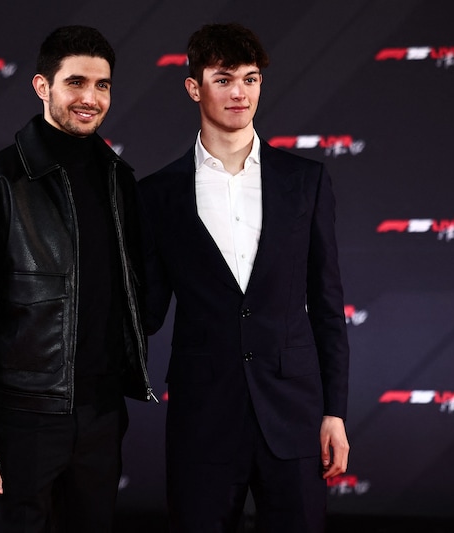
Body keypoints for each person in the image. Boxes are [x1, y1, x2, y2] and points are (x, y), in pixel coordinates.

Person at [0, 25, 154, 533]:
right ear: (42, 87)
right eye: (76, 82)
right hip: (24, 419)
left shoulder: (120, 179)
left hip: (101, 416)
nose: (90, 98)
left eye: (102, 85)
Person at [139, 23, 350, 532]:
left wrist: (335, 412)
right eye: (224, 78)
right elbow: (145, 312)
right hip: (202, 418)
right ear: (194, 87)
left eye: (251, 79)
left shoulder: (305, 181)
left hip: (295, 414)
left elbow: (326, 303)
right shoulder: (157, 195)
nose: (240, 92)